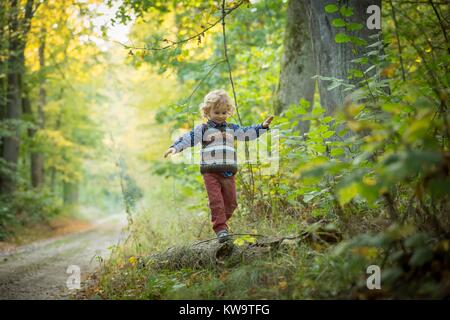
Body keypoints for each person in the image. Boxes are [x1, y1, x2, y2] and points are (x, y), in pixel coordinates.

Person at [164, 89, 274, 242]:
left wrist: (262, 126)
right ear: (207, 112)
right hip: (211, 173)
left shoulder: (232, 129)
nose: (221, 116)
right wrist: (175, 147)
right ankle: (221, 229)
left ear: (228, 112)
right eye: (217, 112)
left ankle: (222, 223)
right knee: (216, 202)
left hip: (228, 172)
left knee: (231, 203)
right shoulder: (203, 129)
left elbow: (246, 133)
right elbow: (188, 138)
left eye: (224, 112)